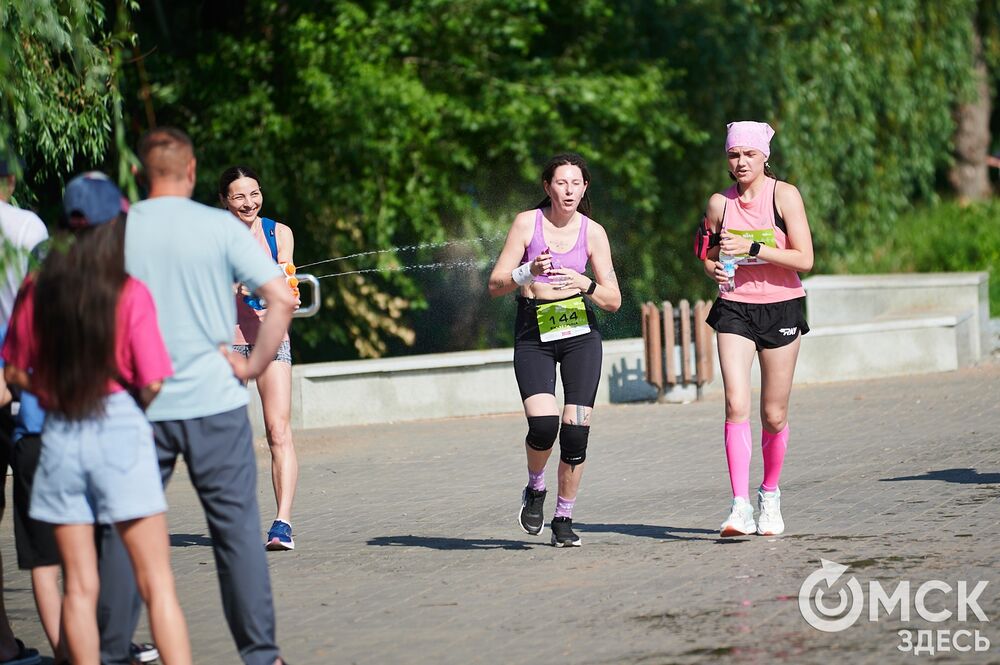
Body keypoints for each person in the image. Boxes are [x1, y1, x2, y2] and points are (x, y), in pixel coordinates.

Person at [96, 127, 294, 665]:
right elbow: (281, 297)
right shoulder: (220, 229)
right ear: (191, 172)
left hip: (141, 404)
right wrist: (253, 364)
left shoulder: (116, 230)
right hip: (215, 401)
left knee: (125, 529)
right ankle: (259, 653)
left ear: (137, 175)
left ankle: (110, 650)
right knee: (235, 535)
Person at [2, 172, 191, 665]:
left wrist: (56, 393)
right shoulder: (128, 291)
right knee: (156, 583)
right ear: (116, 226)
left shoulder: (37, 289)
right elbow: (152, 382)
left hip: (60, 432)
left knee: (79, 588)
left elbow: (15, 371)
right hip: (119, 426)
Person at [488, 152, 621, 547]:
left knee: (576, 431)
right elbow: (495, 284)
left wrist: (585, 283)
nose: (568, 190)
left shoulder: (593, 232)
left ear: (585, 188)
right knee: (544, 426)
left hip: (580, 332)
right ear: (547, 187)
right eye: (560, 183)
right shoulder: (527, 223)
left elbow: (613, 300)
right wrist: (528, 271)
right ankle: (535, 488)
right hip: (534, 329)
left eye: (575, 183)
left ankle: (563, 518)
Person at [700, 121, 813, 537]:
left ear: (765, 156)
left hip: (781, 309)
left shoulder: (784, 196)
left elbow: (805, 259)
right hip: (735, 309)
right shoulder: (719, 204)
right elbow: (707, 252)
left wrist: (755, 248)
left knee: (774, 413)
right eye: (734, 155)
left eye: (749, 154)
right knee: (734, 404)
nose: (741, 161)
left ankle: (770, 494)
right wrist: (713, 267)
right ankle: (739, 506)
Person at [218, 165, 299, 551]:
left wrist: (284, 287)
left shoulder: (278, 232)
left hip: (270, 338)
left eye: (254, 194)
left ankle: (282, 523)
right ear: (224, 200)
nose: (249, 203)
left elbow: (285, 273)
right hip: (226, 342)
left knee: (277, 430)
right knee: (228, 435)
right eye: (239, 196)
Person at [0, 153, 47, 665]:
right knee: (45, 525)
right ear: (10, 179)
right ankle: (75, 644)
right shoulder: (24, 225)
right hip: (25, 383)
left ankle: (5, 641)